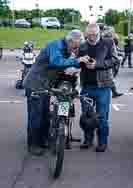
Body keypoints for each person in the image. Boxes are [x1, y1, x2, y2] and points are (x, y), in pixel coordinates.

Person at [23, 30, 89, 156]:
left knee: (45, 116)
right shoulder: (55, 45)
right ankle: (33, 145)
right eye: (75, 46)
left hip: (46, 85)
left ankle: (43, 140)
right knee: (36, 117)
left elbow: (58, 66)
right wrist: (77, 61)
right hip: (35, 84)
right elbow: (56, 61)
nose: (76, 49)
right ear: (70, 41)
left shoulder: (66, 48)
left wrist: (72, 70)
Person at [79, 23, 118, 152]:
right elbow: (76, 61)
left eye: (94, 35)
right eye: (89, 35)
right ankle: (88, 140)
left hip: (103, 87)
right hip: (86, 86)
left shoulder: (108, 43)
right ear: (86, 34)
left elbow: (115, 60)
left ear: (99, 33)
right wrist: (80, 61)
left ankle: (102, 142)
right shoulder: (82, 45)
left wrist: (98, 64)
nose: (91, 37)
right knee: (86, 117)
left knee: (102, 117)